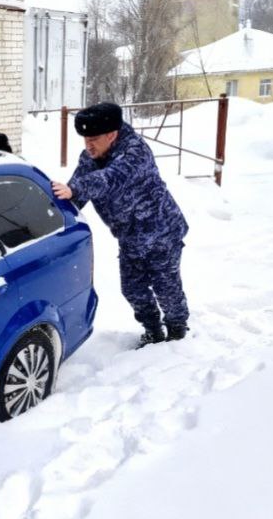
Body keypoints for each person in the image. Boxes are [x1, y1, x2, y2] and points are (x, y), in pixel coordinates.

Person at [51, 102, 189, 348]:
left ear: (112, 134)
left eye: (93, 139)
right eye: (84, 139)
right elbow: (75, 195)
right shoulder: (89, 159)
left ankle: (177, 331)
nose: (88, 145)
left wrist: (77, 188)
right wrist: (53, 212)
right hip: (130, 238)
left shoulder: (136, 151)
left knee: (166, 287)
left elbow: (111, 179)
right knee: (132, 289)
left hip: (162, 232)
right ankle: (153, 331)